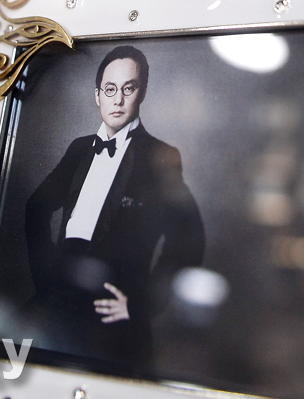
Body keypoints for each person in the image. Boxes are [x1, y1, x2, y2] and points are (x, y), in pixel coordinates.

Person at [24, 45, 205, 376]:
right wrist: (45, 277)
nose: (118, 100)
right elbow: (36, 207)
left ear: (142, 93)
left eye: (128, 89)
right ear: (97, 96)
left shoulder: (159, 155)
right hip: (60, 297)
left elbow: (189, 238)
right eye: (110, 90)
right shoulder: (80, 148)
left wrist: (140, 304)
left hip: (110, 311)